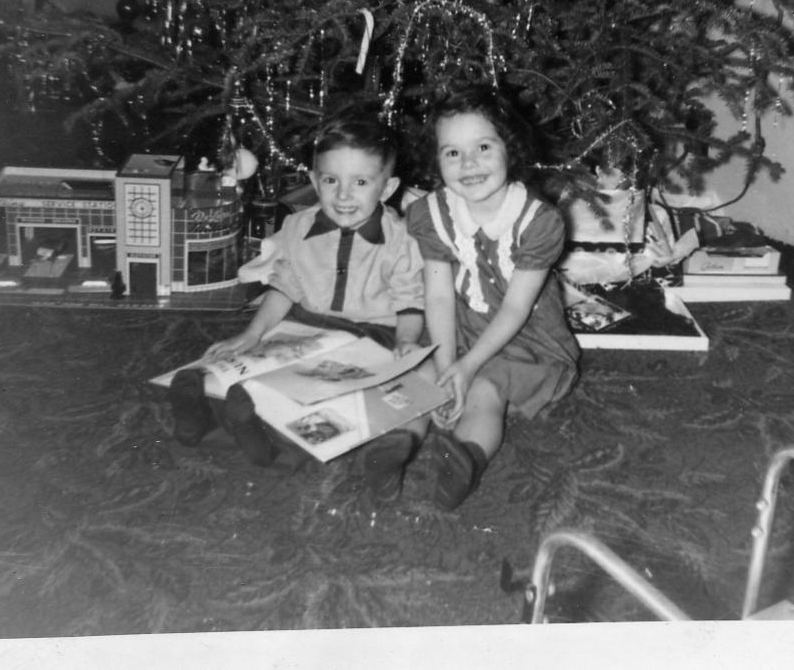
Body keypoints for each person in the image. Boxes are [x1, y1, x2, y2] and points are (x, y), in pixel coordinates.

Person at [168, 114, 438, 501]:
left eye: (360, 183)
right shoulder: (298, 228)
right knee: (251, 363)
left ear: (388, 187)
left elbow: (410, 300)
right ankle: (200, 408)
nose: (343, 195)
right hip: (305, 326)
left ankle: (270, 441)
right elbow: (284, 288)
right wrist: (252, 333)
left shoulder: (400, 240)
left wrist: (407, 341)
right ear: (314, 180)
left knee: (328, 392)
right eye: (331, 181)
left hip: (372, 336)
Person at [405, 85, 581, 511]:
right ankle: (396, 442)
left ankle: (464, 460)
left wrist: (467, 369)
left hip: (523, 335)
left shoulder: (538, 221)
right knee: (420, 376)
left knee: (485, 387)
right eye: (452, 153)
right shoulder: (431, 213)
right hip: (460, 323)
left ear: (510, 148)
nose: (469, 164)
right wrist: (447, 365)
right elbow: (439, 298)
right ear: (436, 160)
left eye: (483, 147)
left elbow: (517, 308)